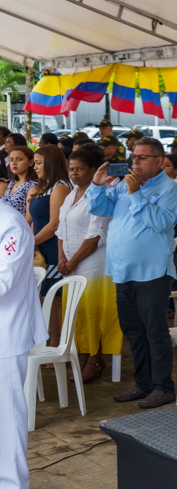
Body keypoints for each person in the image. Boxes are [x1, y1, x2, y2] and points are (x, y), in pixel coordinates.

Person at [87, 137, 177, 409]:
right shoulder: (124, 185)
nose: (136, 161)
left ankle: (163, 387)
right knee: (134, 332)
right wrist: (96, 185)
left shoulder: (168, 189)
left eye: (142, 157)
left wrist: (136, 195)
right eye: (134, 156)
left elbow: (162, 222)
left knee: (155, 331)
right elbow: (99, 208)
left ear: (158, 161)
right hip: (122, 269)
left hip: (151, 272)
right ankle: (143, 383)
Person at [0, 200, 48, 489]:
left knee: (7, 412)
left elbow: (3, 282)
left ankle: (14, 488)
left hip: (7, 332)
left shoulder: (10, 224)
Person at [56, 144, 120, 384]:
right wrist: (62, 258)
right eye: (71, 168)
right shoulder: (71, 192)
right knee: (77, 313)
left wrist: (72, 262)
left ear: (94, 170)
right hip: (70, 261)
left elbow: (95, 236)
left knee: (93, 311)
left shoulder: (103, 193)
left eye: (79, 169)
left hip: (92, 261)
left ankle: (95, 359)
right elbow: (61, 227)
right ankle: (81, 355)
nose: (73, 173)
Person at [25, 146, 71, 347]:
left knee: (54, 299)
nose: (34, 166)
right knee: (42, 297)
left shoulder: (60, 187)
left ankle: (57, 341)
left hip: (53, 249)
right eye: (34, 162)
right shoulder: (39, 187)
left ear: (51, 163)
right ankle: (46, 339)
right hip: (38, 247)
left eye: (38, 162)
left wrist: (30, 243)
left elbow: (54, 225)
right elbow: (33, 219)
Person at [1, 146, 37, 215]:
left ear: (31, 162)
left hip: (21, 224)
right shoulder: (12, 182)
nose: (14, 163)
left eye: (19, 159)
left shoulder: (33, 185)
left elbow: (30, 218)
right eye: (11, 160)